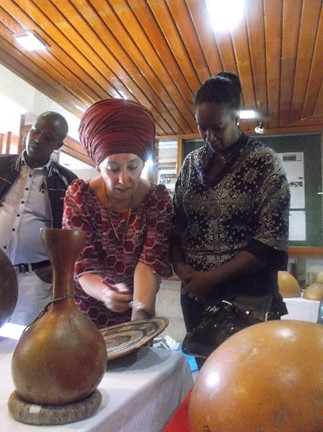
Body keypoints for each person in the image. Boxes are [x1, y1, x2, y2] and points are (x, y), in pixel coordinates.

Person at [171, 72, 290, 347]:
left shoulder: (264, 163)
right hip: (197, 298)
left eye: (218, 127)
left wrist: (210, 279)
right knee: (209, 380)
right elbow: (175, 225)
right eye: (202, 127)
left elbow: (269, 242)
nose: (209, 136)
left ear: (236, 118)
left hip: (249, 300)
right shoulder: (191, 164)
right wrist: (181, 268)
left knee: (248, 380)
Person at [62, 98, 172, 329]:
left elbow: (149, 263)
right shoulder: (80, 196)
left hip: (138, 307)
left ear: (143, 164)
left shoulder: (157, 200)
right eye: (113, 168)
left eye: (132, 166)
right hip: (85, 311)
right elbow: (82, 264)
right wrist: (105, 292)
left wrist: (138, 322)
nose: (124, 179)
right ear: (97, 166)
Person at [0, 111, 78, 325]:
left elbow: (75, 233)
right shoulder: (2, 165)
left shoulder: (68, 182)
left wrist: (57, 269)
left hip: (33, 280)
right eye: (36, 130)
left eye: (48, 137)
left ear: (58, 145)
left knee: (24, 344)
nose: (37, 139)